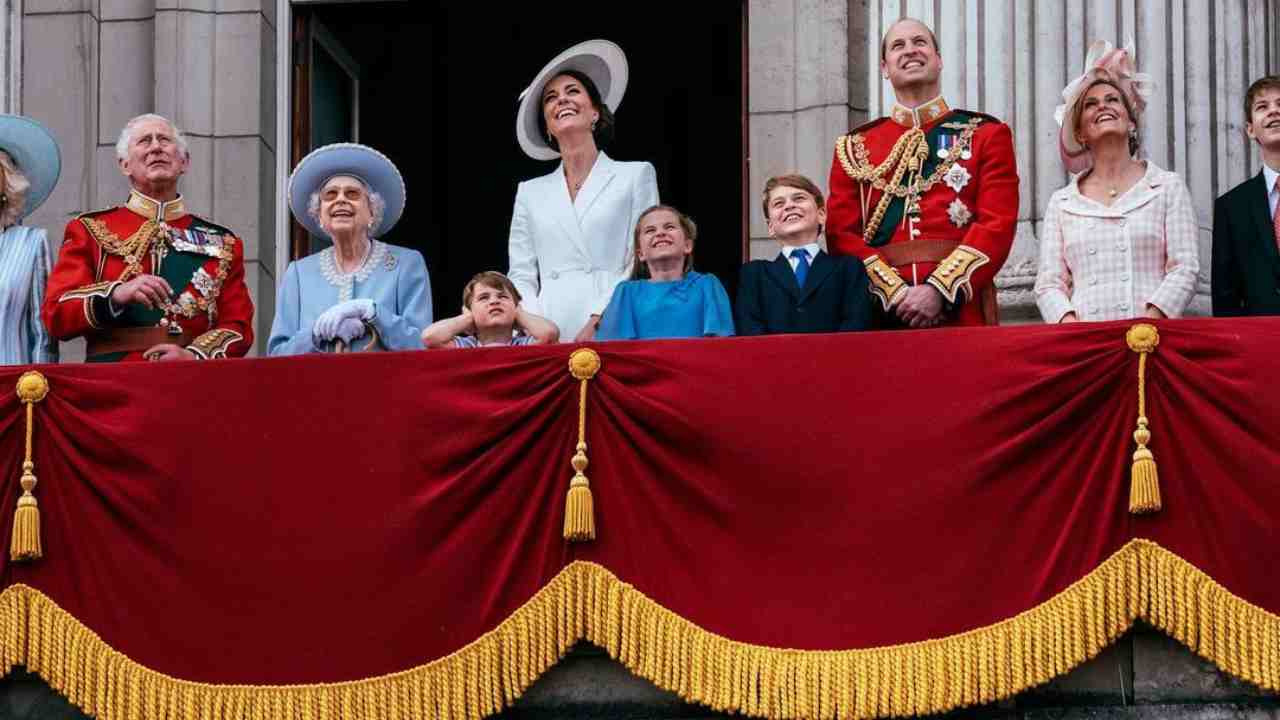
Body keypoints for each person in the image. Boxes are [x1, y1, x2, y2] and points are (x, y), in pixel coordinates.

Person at [826, 17, 1018, 328]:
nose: (910, 51)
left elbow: (997, 223)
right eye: (898, 46)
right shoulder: (854, 147)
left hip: (961, 309)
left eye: (920, 42)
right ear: (885, 68)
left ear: (939, 60)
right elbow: (840, 236)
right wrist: (895, 293)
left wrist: (940, 290)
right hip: (882, 315)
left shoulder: (986, 134)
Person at [42, 114, 253, 361]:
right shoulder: (90, 230)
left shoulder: (223, 242)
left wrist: (193, 356)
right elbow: (56, 313)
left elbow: (238, 327)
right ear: (124, 165)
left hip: (190, 383)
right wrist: (118, 294)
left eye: (164, 140)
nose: (155, 147)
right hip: (111, 382)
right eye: (144, 141)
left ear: (184, 162)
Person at [1035, 40, 1198, 323]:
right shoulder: (1062, 202)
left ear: (1131, 121)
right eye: (1091, 104)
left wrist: (1149, 323)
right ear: (1080, 132)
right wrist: (1070, 327)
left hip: (1152, 339)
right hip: (1085, 345)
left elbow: (1185, 267)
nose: (1103, 107)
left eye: (1112, 100)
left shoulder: (1167, 187)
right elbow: (1049, 284)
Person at [509, 39, 660, 342]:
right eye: (551, 97)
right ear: (547, 126)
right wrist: (537, 326)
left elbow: (640, 257)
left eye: (573, 91)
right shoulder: (529, 192)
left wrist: (599, 318)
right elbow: (521, 274)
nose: (561, 100)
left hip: (614, 320)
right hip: (548, 327)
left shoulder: (635, 175)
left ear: (595, 113)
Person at [269, 143, 431, 355]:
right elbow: (277, 354)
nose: (340, 200)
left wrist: (373, 313)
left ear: (372, 211)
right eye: (330, 195)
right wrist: (316, 334)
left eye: (353, 194)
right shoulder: (298, 273)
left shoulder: (406, 264)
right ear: (319, 215)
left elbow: (421, 346)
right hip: (316, 386)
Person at [736, 174, 873, 335]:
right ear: (770, 226)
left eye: (799, 198)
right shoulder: (754, 274)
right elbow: (750, 331)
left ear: (821, 215)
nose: (789, 206)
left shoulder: (849, 268)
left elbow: (856, 326)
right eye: (779, 203)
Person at [595, 205, 733, 340]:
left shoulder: (708, 285)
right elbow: (614, 350)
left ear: (687, 245)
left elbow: (720, 347)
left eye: (669, 227)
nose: (660, 233)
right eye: (650, 230)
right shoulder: (626, 292)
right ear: (640, 253)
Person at [1212, 75, 1280, 316]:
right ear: (1250, 129)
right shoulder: (1231, 208)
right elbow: (1225, 300)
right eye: (1263, 107)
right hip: (1260, 347)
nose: (1273, 111)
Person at [0, 115, 60, 364]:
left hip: (10, 389)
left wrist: (38, 394)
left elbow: (44, 335)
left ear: (7, 185)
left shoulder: (32, 243)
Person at [421, 271, 558, 348]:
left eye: (503, 296)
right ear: (469, 311)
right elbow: (430, 338)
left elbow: (549, 334)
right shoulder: (466, 346)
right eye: (483, 298)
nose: (494, 301)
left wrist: (519, 314)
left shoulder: (522, 344)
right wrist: (467, 318)